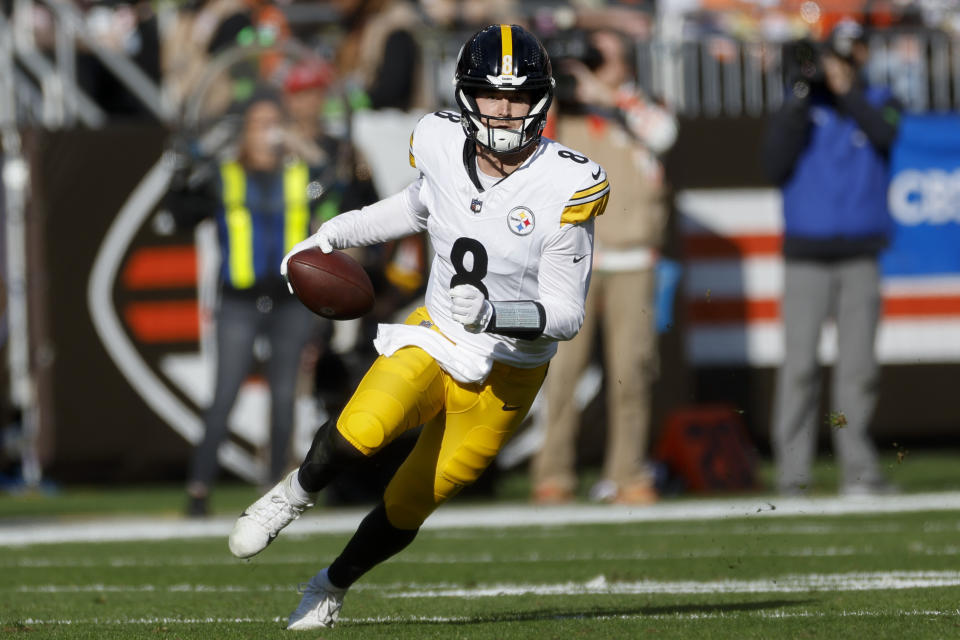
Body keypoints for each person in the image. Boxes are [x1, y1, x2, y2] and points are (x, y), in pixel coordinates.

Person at [227, 24, 608, 630]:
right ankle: (291, 495)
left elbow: (567, 314)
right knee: (362, 428)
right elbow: (415, 206)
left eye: (517, 95)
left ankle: (329, 585)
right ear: (466, 95)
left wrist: (496, 315)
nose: (504, 110)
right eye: (491, 94)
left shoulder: (567, 183)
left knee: (409, 501)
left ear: (541, 98)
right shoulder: (438, 140)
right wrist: (334, 235)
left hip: (509, 373)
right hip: (436, 335)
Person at [165, 90, 332, 516]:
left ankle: (272, 493)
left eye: (275, 123)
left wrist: (303, 147)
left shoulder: (301, 173)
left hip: (289, 301)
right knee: (223, 396)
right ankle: (199, 490)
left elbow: (339, 190)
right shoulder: (225, 175)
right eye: (259, 124)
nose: (268, 134)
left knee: (283, 401)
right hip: (237, 301)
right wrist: (181, 167)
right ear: (245, 131)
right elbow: (179, 213)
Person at [531, 28, 677, 505]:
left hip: (634, 259)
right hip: (575, 258)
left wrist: (606, 95)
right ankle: (553, 472)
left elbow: (663, 134)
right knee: (563, 373)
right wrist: (557, 89)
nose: (594, 64)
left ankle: (628, 473)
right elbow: (532, 147)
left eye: (603, 56)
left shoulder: (640, 103)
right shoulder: (564, 104)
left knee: (631, 373)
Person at [761, 20, 901, 497]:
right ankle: (792, 473)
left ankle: (859, 471)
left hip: (860, 254)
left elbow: (885, 136)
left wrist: (847, 92)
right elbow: (773, 165)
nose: (836, 65)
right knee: (799, 367)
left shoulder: (882, 100)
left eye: (847, 55)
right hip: (806, 255)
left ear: (861, 56)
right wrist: (802, 98)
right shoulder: (799, 102)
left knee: (858, 368)